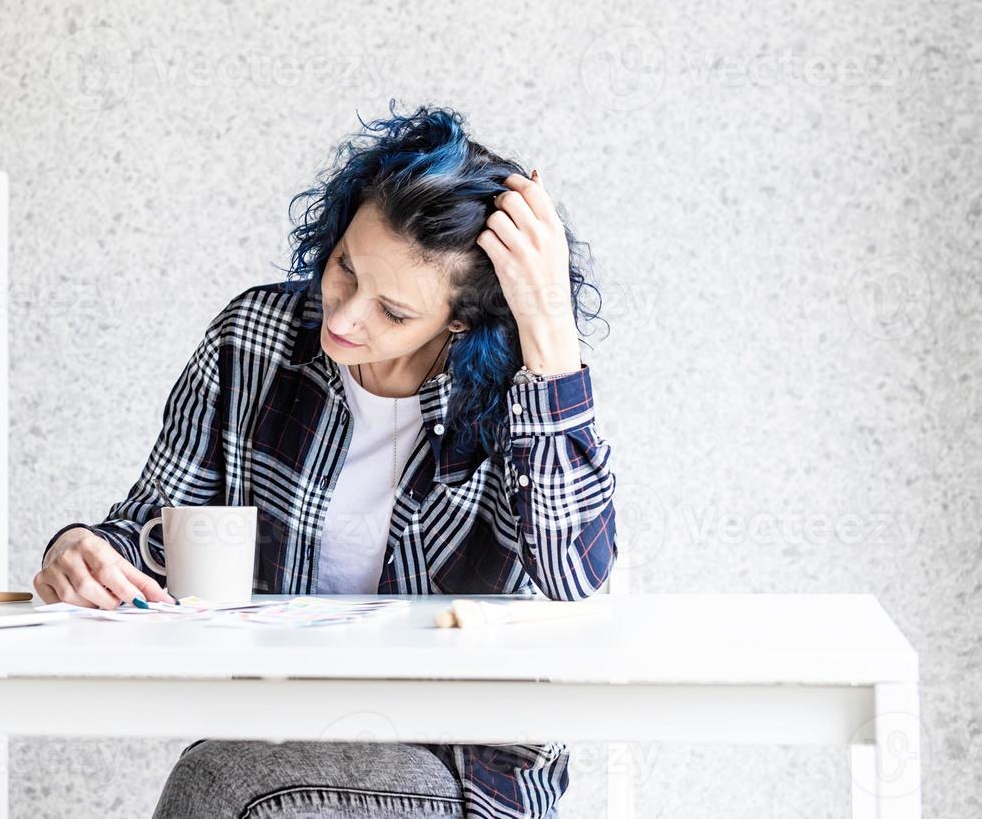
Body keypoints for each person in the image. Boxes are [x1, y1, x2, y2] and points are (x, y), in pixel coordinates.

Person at [33, 103, 618, 818]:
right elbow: (154, 530)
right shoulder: (255, 338)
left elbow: (573, 574)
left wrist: (548, 330)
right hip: (277, 734)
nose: (344, 318)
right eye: (344, 269)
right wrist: (83, 549)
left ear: (460, 320)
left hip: (458, 765)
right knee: (229, 773)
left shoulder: (517, 396)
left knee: (221, 782)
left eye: (393, 312)